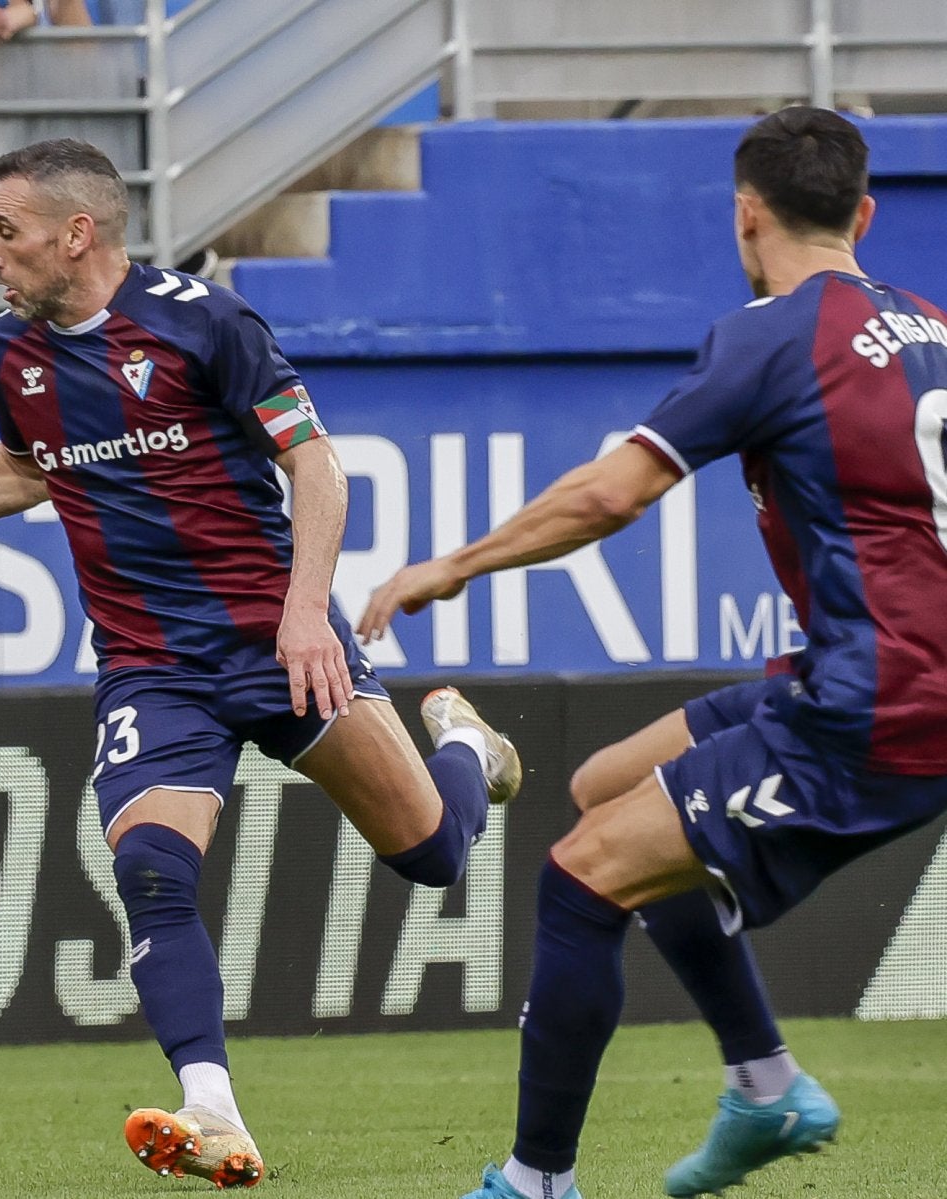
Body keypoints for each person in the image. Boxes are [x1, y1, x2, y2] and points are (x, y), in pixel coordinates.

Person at [0, 137, 522, 1189]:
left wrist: (306, 615)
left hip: (275, 640)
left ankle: (467, 748)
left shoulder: (203, 321)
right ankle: (211, 1105)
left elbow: (316, 463)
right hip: (150, 666)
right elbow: (27, 472)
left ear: (78, 233)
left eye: (4, 231)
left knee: (431, 856)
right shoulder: (9, 356)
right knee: (153, 869)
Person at [357, 106, 947, 1199]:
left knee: (581, 879)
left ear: (745, 214)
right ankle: (766, 1082)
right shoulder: (930, 323)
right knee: (605, 786)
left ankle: (536, 1181)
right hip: (864, 673)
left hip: (880, 702)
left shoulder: (773, 333)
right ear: (864, 213)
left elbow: (614, 492)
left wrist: (453, 565)